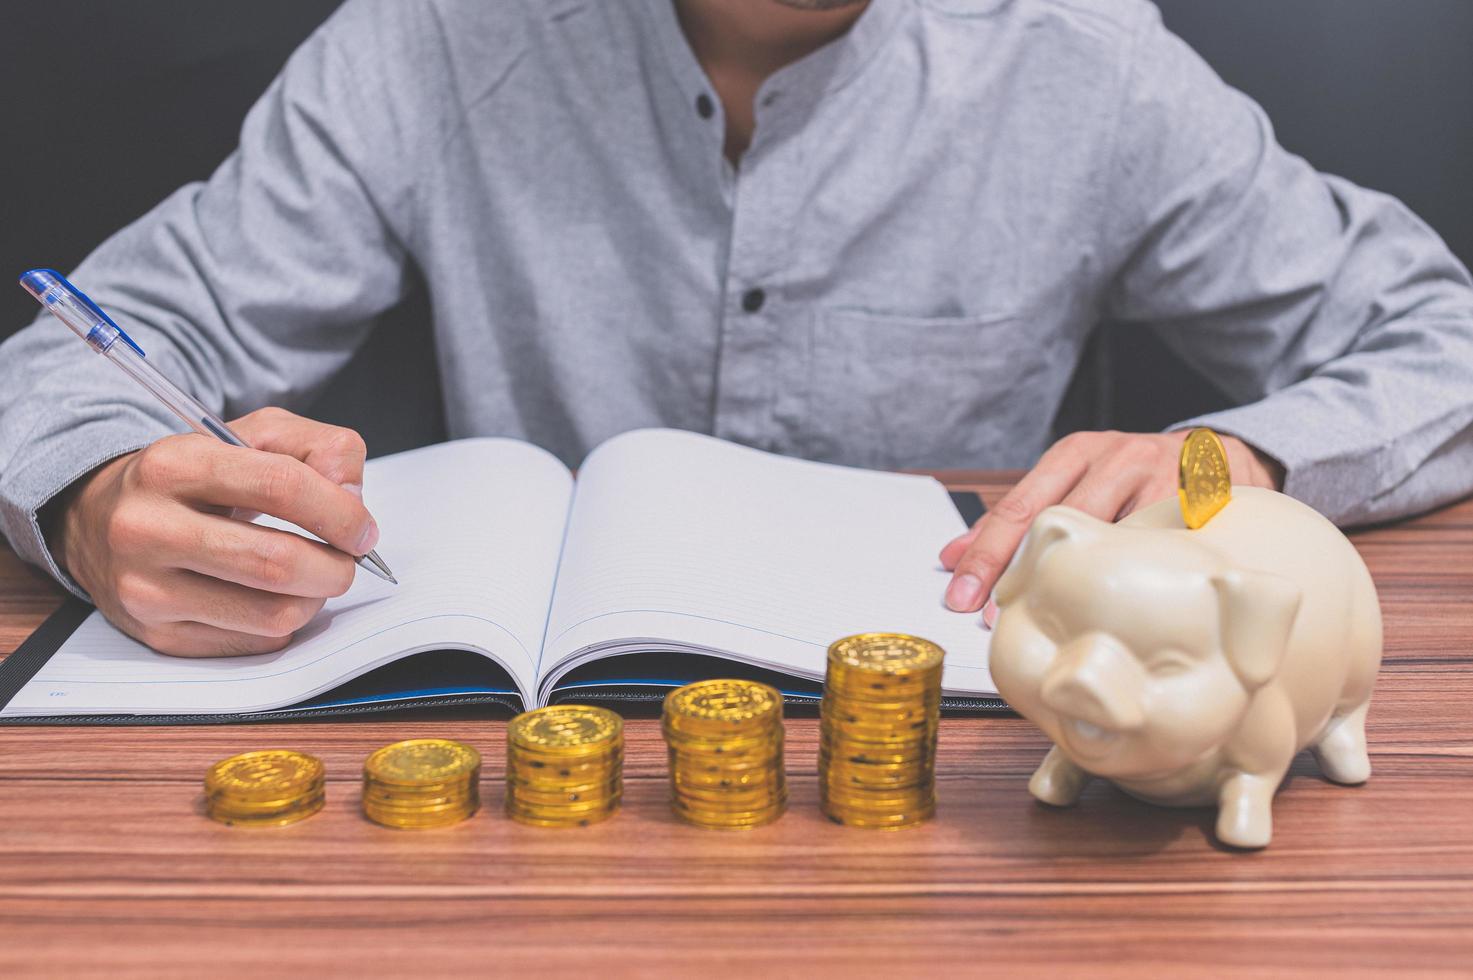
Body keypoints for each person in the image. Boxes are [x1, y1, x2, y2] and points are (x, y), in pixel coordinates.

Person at [1, 0, 1470, 657]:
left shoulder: (1090, 69)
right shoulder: (430, 37)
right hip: (529, 776)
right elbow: (92, 344)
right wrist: (89, 501)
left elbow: (1441, 341)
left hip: (970, 771)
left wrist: (1225, 464)